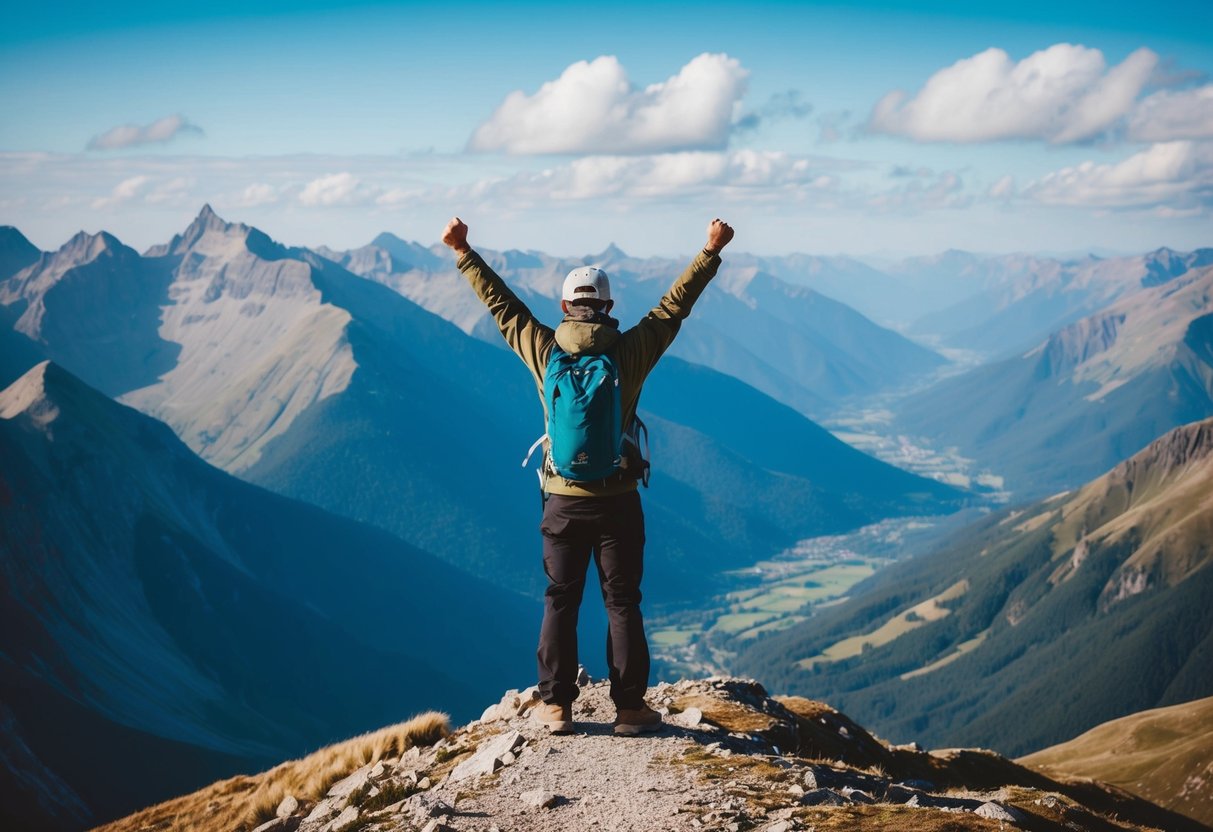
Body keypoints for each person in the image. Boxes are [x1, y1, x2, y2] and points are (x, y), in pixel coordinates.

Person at [441, 215, 734, 735]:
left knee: (560, 599)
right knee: (622, 602)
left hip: (561, 501)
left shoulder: (544, 349)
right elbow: (674, 307)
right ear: (608, 308)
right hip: (618, 500)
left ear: (564, 308)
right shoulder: (631, 352)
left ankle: (556, 707)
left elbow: (501, 307)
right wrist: (709, 250)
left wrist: (464, 251)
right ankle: (629, 709)